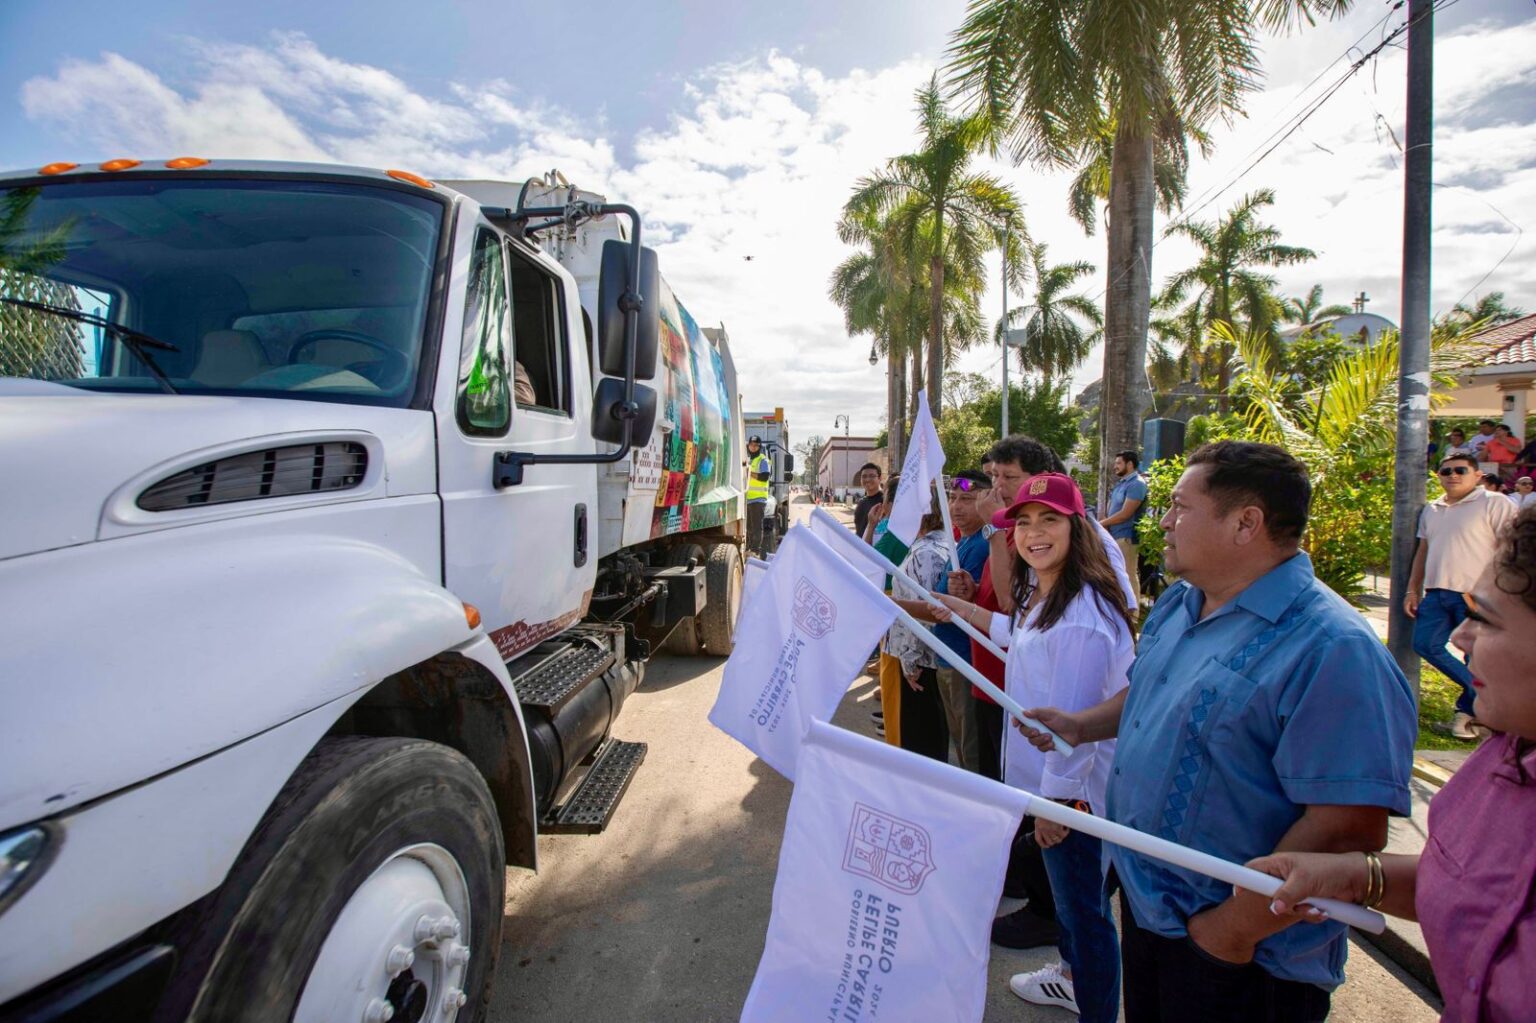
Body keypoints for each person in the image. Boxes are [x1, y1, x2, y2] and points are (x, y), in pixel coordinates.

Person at [1020, 440, 1417, 1022]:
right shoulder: (1182, 602)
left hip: (1246, 957)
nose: (1164, 521)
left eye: (1180, 507)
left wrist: (1230, 932)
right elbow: (1155, 689)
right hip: (1155, 916)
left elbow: (1346, 824)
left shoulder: (1333, 649)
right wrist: (1082, 726)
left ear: (1245, 523)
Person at [1249, 506, 1536, 1023]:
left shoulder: (1338, 646)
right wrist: (1360, 877)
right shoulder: (1499, 761)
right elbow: (1482, 894)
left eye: (1485, 618)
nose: (1459, 639)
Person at [936, 474, 1133, 1021]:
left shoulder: (1080, 619)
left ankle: (1091, 1001)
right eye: (1023, 522)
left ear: (1078, 527)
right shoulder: (1047, 593)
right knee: (1075, 912)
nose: (1032, 533)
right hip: (1050, 792)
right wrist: (953, 610)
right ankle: (1072, 977)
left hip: (1074, 801)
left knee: (1085, 916)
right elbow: (1011, 632)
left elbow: (1074, 733)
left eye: (1049, 520)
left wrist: (1058, 807)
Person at [1409, 453, 1518, 739]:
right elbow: (1422, 552)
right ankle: (1480, 691)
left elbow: (1511, 548)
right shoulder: (1431, 510)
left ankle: (1468, 718)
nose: (1453, 475)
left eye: (1460, 470)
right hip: (1437, 592)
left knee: (1476, 656)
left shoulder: (1494, 503)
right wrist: (1412, 588)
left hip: (1476, 595)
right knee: (1424, 644)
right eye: (1446, 471)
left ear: (1477, 475)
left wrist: (1501, 592)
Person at [884, 492, 952, 762]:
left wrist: (911, 661)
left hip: (921, 664)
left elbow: (923, 612)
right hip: (929, 660)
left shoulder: (925, 552)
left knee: (920, 743)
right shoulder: (937, 542)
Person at [1100, 450, 1149, 608]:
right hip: (1114, 536)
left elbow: (1125, 514)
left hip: (1127, 538)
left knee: (1128, 576)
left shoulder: (1137, 484)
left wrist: (1101, 524)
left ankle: (1132, 617)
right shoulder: (1122, 484)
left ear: (1130, 464)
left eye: (1118, 463)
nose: (1115, 467)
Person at [745, 436, 773, 556]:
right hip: (748, 498)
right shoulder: (747, 460)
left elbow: (765, 476)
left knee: (756, 527)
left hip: (758, 499)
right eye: (751, 444)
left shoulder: (763, 460)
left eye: (756, 445)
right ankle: (749, 549)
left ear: (759, 447)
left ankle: (755, 550)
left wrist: (750, 473)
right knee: (749, 528)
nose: (753, 447)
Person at [852, 463, 884, 541]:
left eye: (872, 476)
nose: (867, 479)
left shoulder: (884, 501)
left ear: (880, 478)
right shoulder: (861, 502)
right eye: (864, 476)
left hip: (874, 550)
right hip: (860, 547)